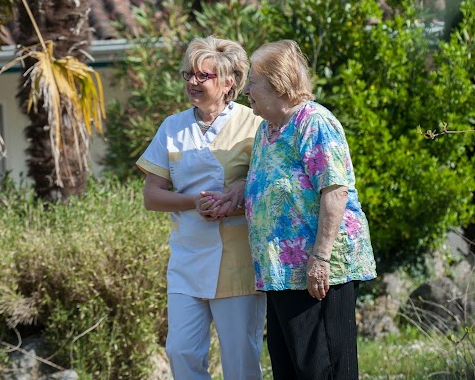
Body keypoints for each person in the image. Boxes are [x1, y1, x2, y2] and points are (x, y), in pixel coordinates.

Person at [244, 39, 376, 380]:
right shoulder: (267, 130)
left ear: (279, 83)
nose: (246, 89)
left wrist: (320, 258)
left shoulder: (313, 122)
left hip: (316, 270)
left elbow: (334, 189)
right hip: (281, 272)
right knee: (292, 369)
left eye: (252, 81)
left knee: (324, 367)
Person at [136, 35, 266, 380]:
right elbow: (152, 195)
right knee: (180, 351)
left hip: (237, 262)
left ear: (228, 83)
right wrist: (194, 202)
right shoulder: (172, 128)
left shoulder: (254, 126)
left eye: (203, 76)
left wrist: (231, 203)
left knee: (240, 358)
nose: (193, 82)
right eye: (189, 75)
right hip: (187, 258)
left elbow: (268, 193)